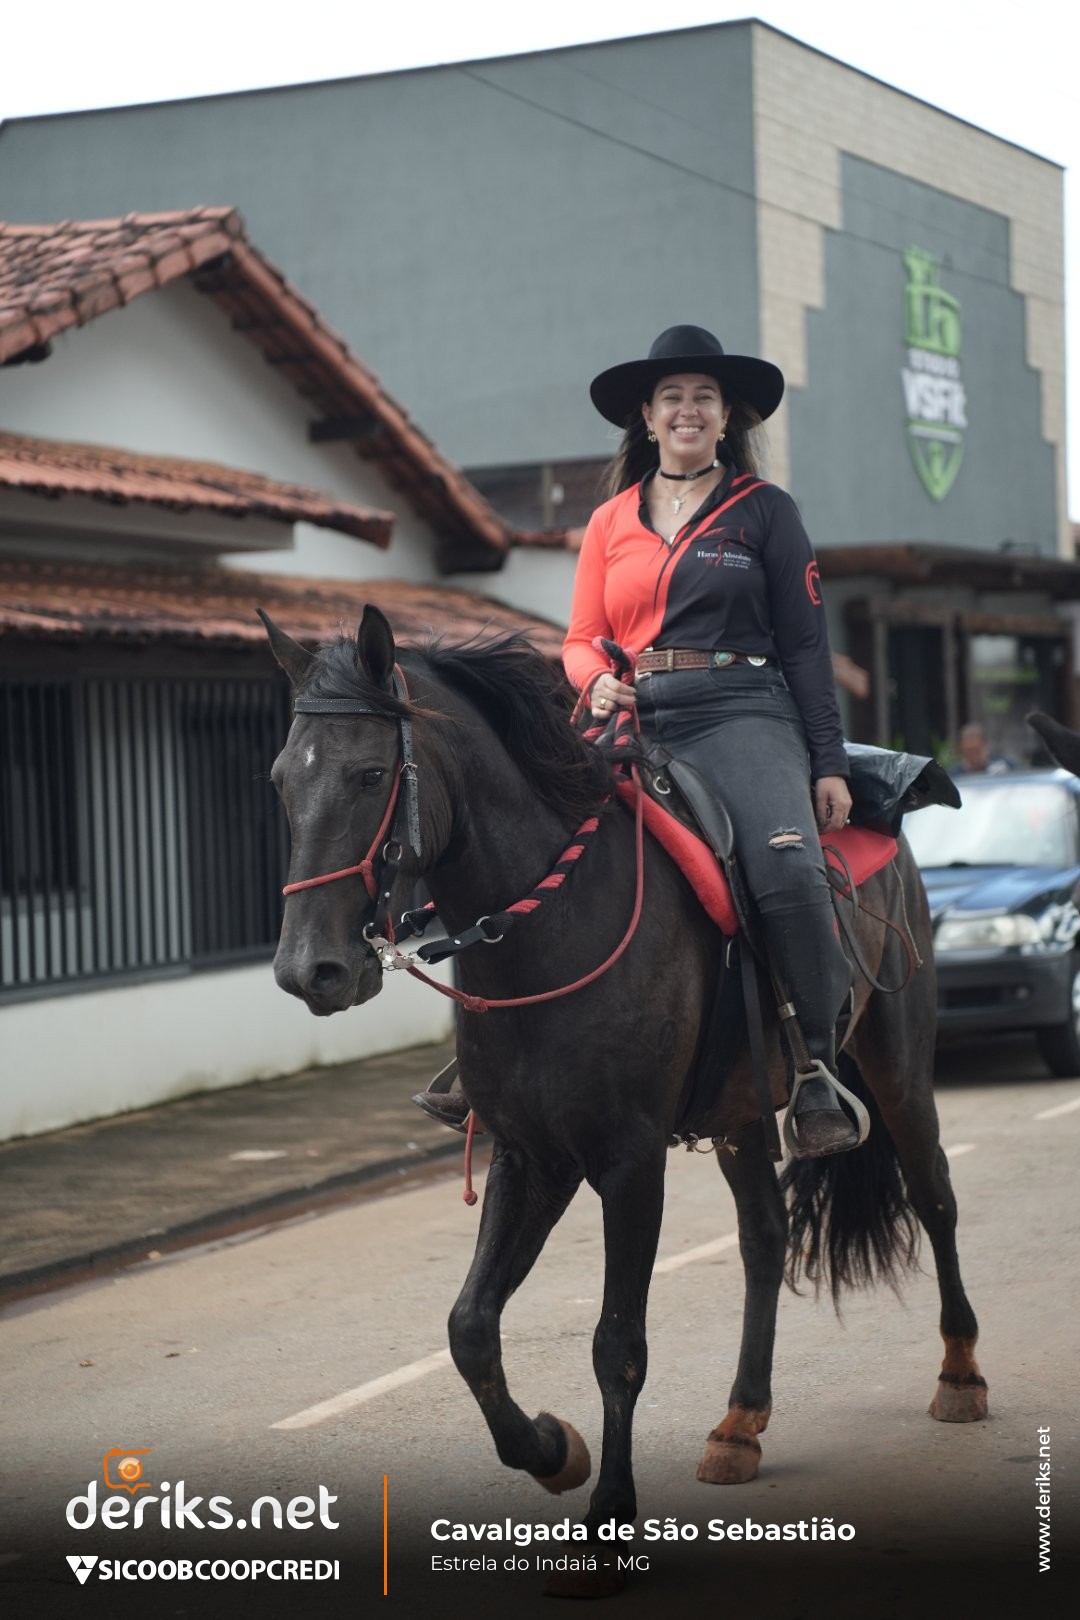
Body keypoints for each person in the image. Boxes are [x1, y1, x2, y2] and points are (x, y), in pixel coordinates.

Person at [416, 324, 859, 1157]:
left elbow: (805, 646)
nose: (688, 409)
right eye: (672, 398)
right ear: (648, 419)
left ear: (726, 417)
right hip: (633, 716)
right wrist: (592, 680)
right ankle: (489, 1058)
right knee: (516, 839)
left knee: (788, 869)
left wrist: (827, 763)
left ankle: (814, 1068)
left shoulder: (767, 510)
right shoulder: (608, 521)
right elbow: (581, 637)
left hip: (742, 712)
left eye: (704, 397)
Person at [949, 722, 1018, 778]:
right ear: (962, 748)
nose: (973, 756)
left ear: (985, 745)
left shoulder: (1004, 766)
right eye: (969, 751)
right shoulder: (955, 775)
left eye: (976, 750)